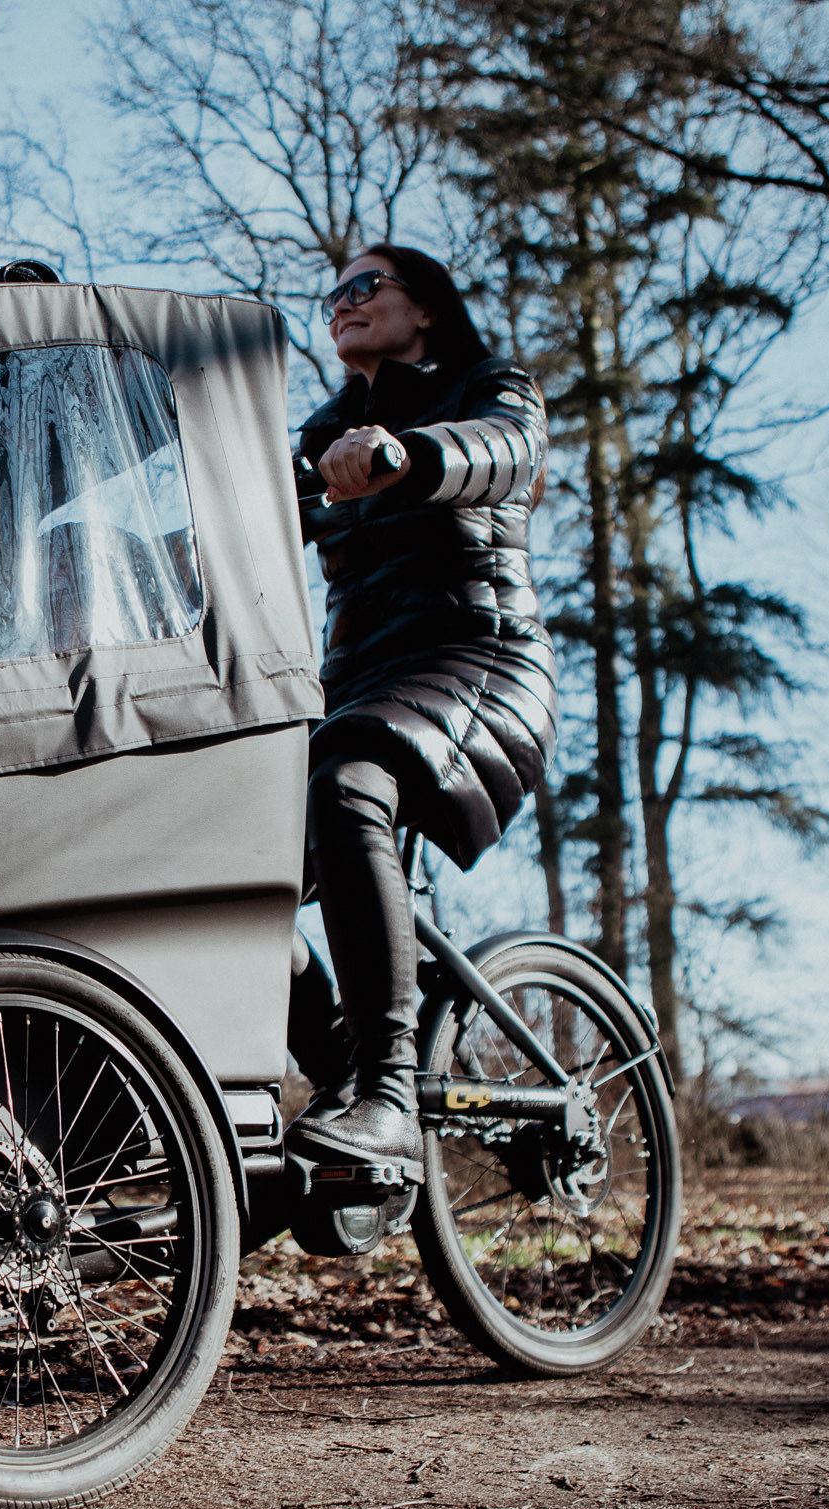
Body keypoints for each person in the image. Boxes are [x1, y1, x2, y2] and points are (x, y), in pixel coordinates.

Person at [286, 244, 556, 1184]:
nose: (343, 305)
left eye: (366, 287)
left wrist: (414, 452)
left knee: (351, 776)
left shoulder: (490, 386)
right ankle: (341, 1080)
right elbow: (234, 508)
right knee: (232, 855)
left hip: (474, 657)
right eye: (333, 297)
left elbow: (506, 450)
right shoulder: (324, 431)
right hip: (354, 680)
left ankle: (390, 1096)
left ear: (427, 309)